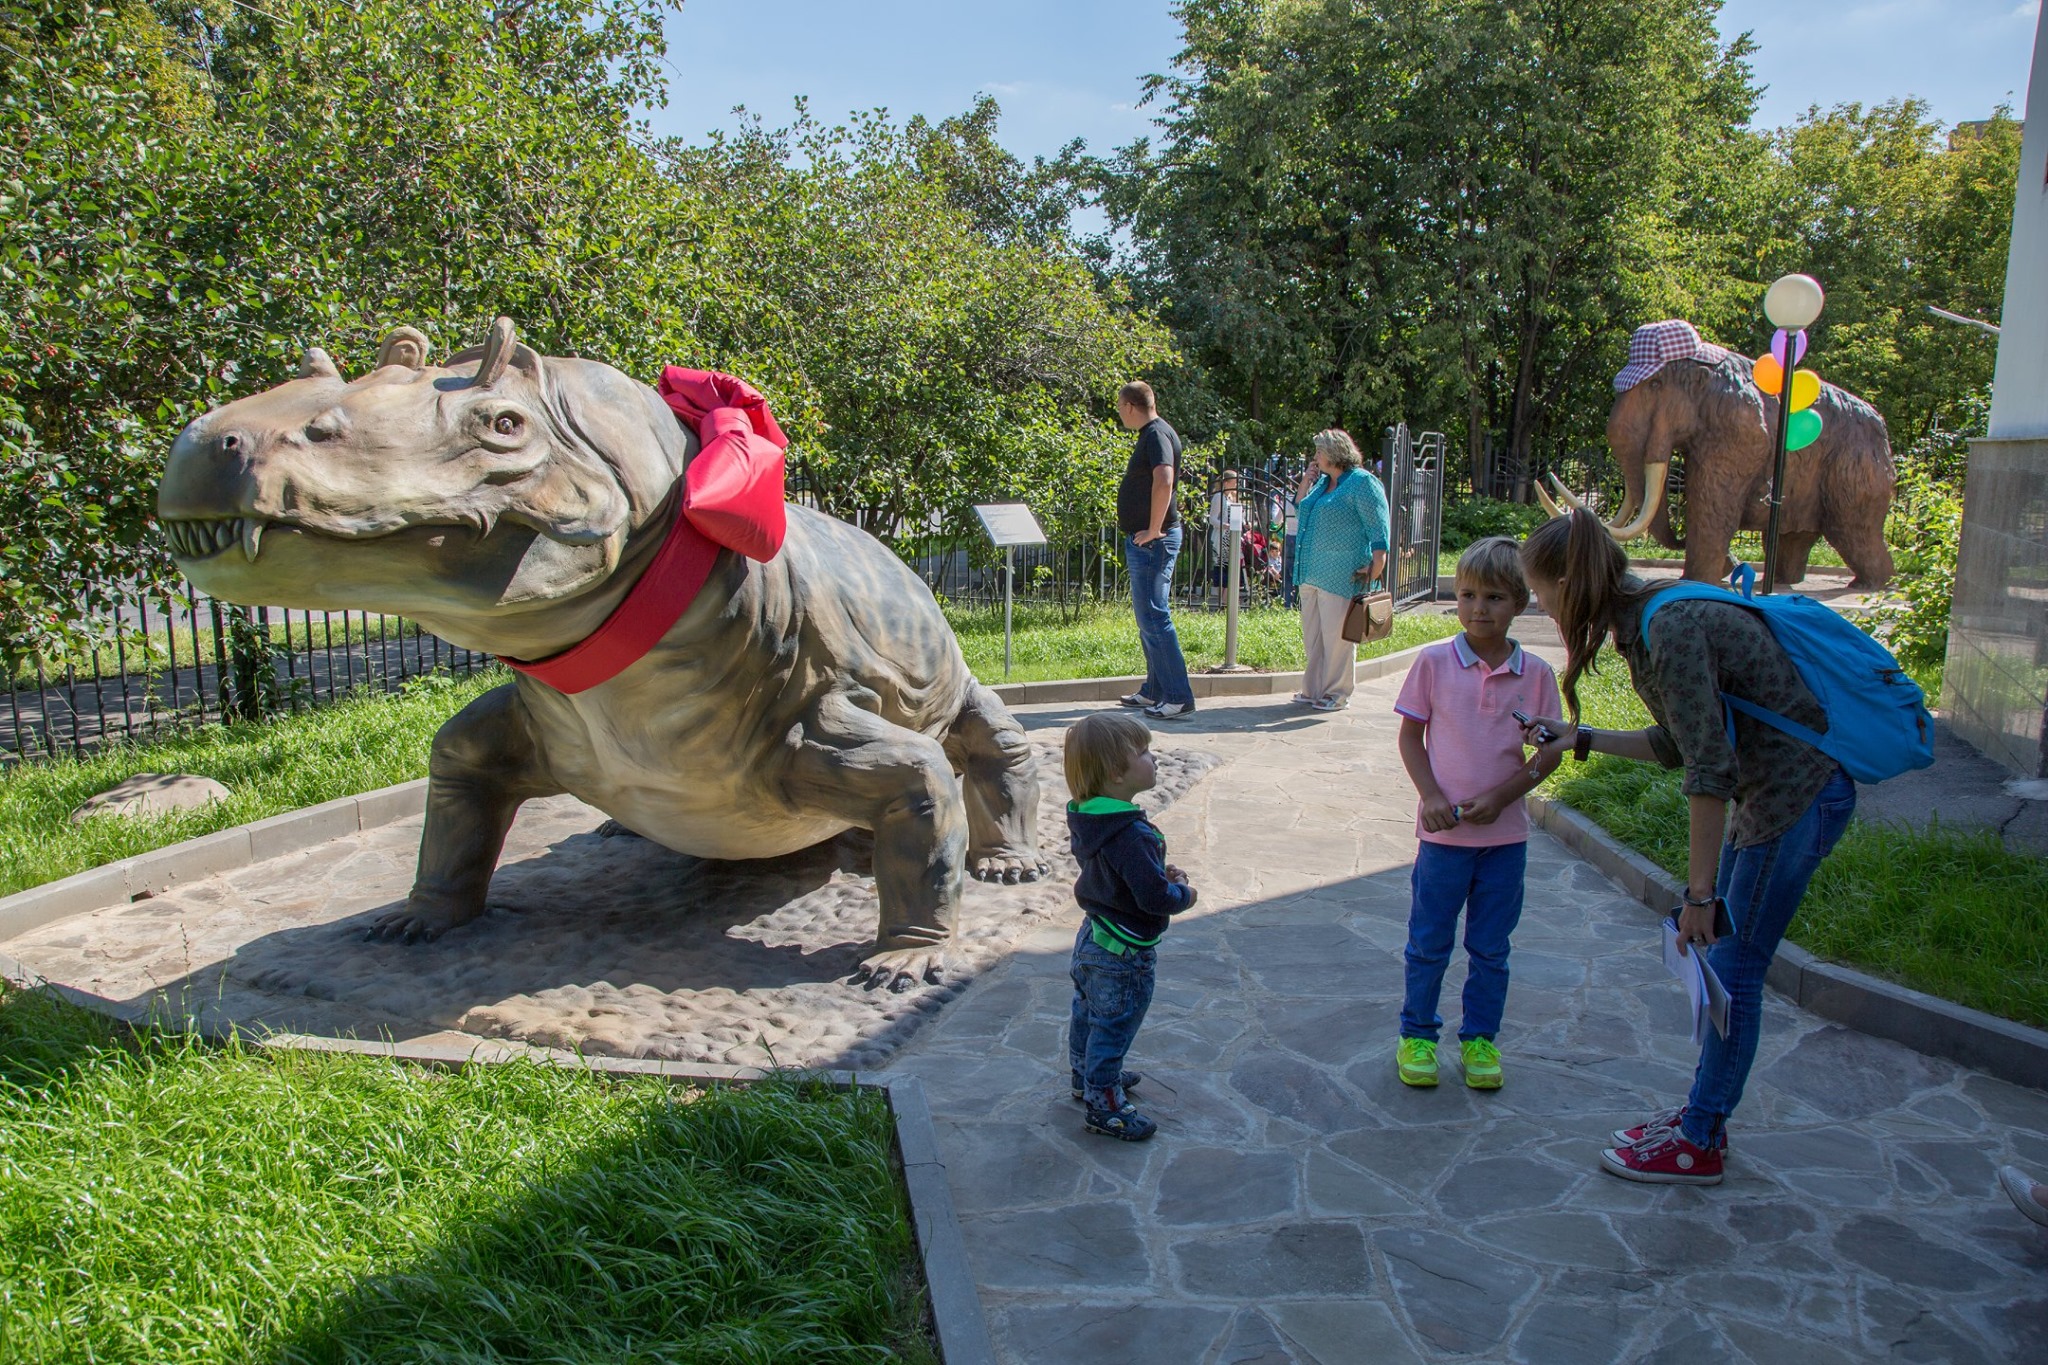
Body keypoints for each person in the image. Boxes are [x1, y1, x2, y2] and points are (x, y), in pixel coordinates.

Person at [1519, 508, 1857, 1185]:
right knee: (1727, 966)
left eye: (1540, 590)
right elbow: (1677, 743)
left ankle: (1700, 1138)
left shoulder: (1665, 626)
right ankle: (1704, 1116)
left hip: (1793, 797)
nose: (1539, 603)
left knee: (1734, 970)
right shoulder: (1646, 615)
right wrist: (1580, 737)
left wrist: (1697, 894)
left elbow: (1709, 769)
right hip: (1770, 798)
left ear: (1566, 581)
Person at [1392, 537, 1563, 1090]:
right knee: (1429, 942)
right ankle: (1417, 1034)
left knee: (1491, 947)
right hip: (1443, 839)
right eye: (1466, 595)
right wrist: (1432, 797)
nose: (1478, 609)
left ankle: (1481, 1039)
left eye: (1493, 597)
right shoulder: (1434, 662)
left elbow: (1549, 753)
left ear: (1520, 603)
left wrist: (1505, 796)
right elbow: (1411, 736)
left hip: (1505, 841)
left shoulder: (1536, 674)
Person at [1064, 712, 1198, 1141]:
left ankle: (1084, 1074)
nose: (1153, 758)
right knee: (1115, 1023)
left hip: (1093, 937)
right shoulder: (1129, 832)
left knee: (1088, 1011)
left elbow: (1119, 874)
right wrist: (1183, 893)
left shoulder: (1091, 817)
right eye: (1143, 752)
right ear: (1116, 774)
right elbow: (1155, 899)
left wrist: (1155, 869)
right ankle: (1104, 1105)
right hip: (1123, 953)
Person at [1290, 429, 1391, 711]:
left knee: (1337, 638)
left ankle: (1337, 692)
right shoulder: (1322, 484)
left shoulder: (1362, 483)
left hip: (1341, 573)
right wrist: (1305, 482)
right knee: (1314, 637)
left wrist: (1378, 562)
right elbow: (1300, 510)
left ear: (1335, 453)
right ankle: (1313, 690)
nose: (1315, 457)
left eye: (1319, 452)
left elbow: (1378, 524)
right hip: (1310, 572)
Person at [1115, 382, 1195, 720]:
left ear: (1131, 406)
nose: (1119, 413)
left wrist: (1152, 528)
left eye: (1119, 407)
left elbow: (1164, 479)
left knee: (1154, 616)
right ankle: (1154, 691)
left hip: (1153, 542)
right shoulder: (1155, 432)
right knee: (1147, 618)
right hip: (1149, 540)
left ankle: (1178, 696)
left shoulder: (1155, 435)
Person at [1207, 470, 1245, 604]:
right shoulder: (1219, 497)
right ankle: (1221, 600)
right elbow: (1212, 519)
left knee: (1232, 568)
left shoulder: (1230, 497)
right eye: (1234, 482)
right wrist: (1225, 525)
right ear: (1226, 482)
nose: (1236, 484)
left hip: (1232, 537)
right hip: (1223, 538)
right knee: (1223, 567)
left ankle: (1227, 599)